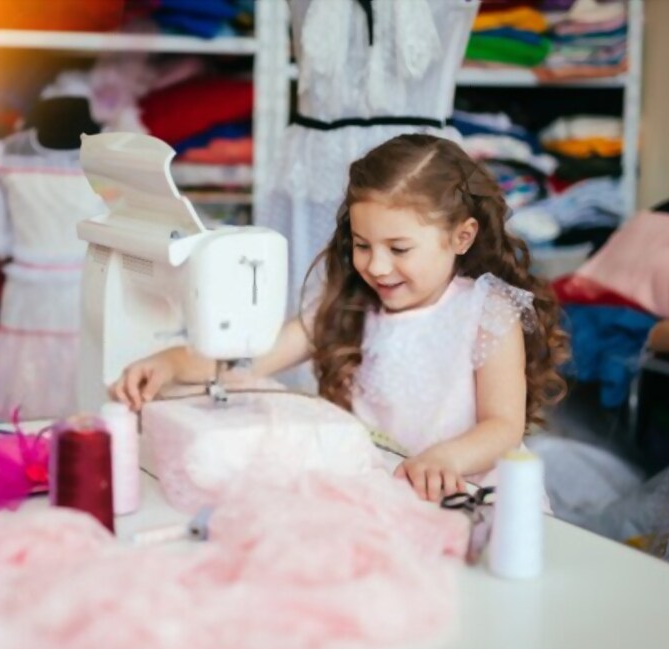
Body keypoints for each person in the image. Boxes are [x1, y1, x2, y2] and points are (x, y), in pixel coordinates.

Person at [110, 134, 570, 502]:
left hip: (467, 492)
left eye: (399, 248)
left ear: (462, 237)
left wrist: (445, 458)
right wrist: (170, 362)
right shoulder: (347, 307)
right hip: (383, 492)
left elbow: (502, 426)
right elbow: (247, 360)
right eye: (363, 245)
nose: (377, 266)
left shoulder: (486, 310)